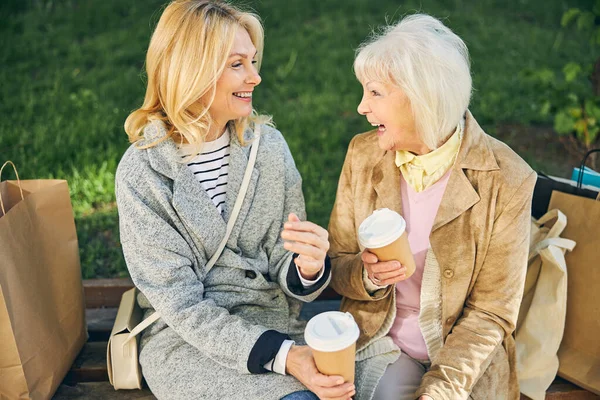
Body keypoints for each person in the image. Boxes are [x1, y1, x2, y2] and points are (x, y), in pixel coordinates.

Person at [115, 1, 355, 399]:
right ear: (192, 70)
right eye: (237, 64)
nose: (256, 77)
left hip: (276, 327)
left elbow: (286, 267)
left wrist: (308, 268)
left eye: (254, 61)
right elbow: (181, 306)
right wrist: (287, 358)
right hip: (188, 345)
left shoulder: (269, 149)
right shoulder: (143, 174)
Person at [328, 14, 537, 400]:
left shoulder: (507, 179)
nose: (361, 107)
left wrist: (442, 389)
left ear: (421, 96)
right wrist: (369, 277)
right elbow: (337, 263)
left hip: (462, 362)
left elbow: (492, 314)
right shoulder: (362, 155)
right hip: (384, 342)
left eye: (374, 93)